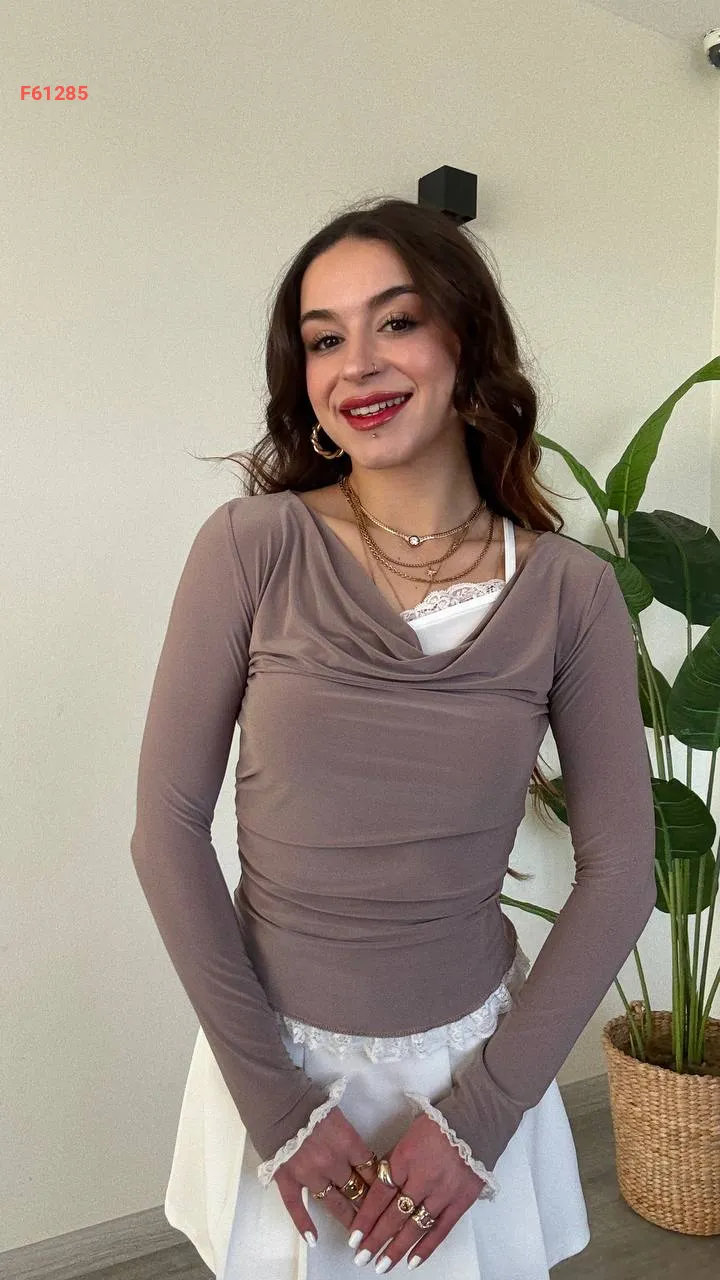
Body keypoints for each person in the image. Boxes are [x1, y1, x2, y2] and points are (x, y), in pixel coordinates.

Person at [130, 198, 656, 1280]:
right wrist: (279, 1107)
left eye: (397, 322)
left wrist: (482, 1117)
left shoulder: (572, 594)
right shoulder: (252, 547)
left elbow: (621, 872)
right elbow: (167, 830)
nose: (357, 365)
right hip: (278, 1069)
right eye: (325, 339)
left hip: (472, 1073)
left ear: (468, 341)